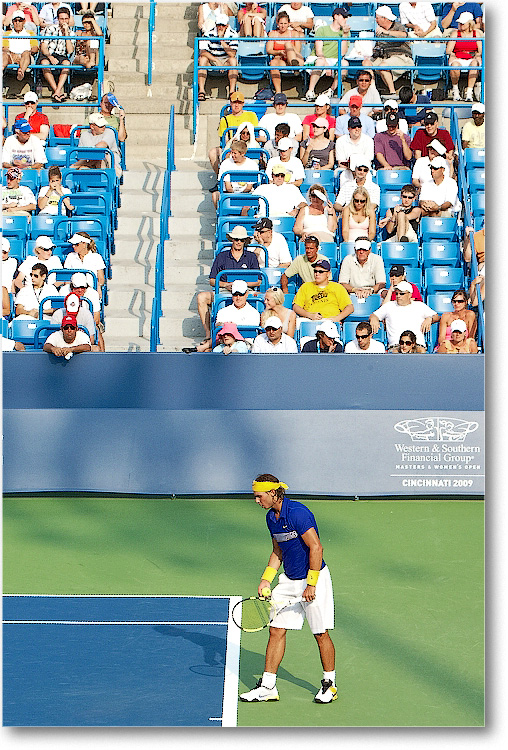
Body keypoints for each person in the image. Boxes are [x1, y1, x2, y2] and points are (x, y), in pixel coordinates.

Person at [240, 474, 336, 703]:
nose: (257, 501)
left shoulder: (298, 513)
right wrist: (266, 579)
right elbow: (277, 551)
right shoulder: (271, 518)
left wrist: (311, 583)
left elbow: (316, 547)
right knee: (276, 630)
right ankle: (268, 687)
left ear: (273, 493)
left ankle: (329, 685)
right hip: (289, 581)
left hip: (314, 577)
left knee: (320, 633)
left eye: (259, 496)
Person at [196, 225, 260, 343]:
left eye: (241, 240)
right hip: (224, 290)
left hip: (247, 291)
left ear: (245, 241)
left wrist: (242, 285)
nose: (239, 242)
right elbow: (212, 280)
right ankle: (208, 334)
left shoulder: (251, 257)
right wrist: (226, 285)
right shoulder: (222, 256)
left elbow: (259, 280)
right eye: (236, 239)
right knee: (201, 297)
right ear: (232, 240)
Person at [370, 280, 439, 348]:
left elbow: (436, 317)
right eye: (396, 293)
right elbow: (374, 315)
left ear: (409, 295)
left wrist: (430, 318)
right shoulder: (389, 306)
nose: (398, 296)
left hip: (417, 346)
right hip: (396, 346)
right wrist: (373, 319)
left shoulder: (420, 306)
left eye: (401, 294)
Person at [364, 5, 414, 98]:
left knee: (383, 66)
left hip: (401, 56)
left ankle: (392, 92)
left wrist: (387, 32)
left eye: (377, 18)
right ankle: (372, 90)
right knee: (366, 63)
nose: (376, 20)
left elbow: (404, 35)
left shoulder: (398, 26)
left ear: (384, 18)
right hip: (384, 57)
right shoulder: (379, 31)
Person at [304, 5, 351, 101]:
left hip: (334, 59)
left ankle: (331, 90)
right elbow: (319, 51)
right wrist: (326, 64)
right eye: (344, 16)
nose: (345, 19)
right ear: (336, 16)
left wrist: (345, 35)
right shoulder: (322, 30)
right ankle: (310, 91)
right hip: (319, 58)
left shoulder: (346, 33)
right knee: (320, 61)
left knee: (345, 64)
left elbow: (342, 53)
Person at [210, 91, 259, 175]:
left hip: (248, 144)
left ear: (243, 104)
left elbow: (255, 135)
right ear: (230, 103)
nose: (236, 105)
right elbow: (224, 140)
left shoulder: (251, 115)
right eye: (234, 102)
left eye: (239, 103)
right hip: (233, 145)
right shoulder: (225, 119)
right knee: (213, 152)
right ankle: (221, 178)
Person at [292, 258, 354, 323]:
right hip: (310, 320)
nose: (317, 274)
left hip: (329, 320)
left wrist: (337, 318)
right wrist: (309, 315)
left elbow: (350, 307)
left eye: (320, 272)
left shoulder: (337, 287)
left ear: (328, 274)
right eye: (315, 271)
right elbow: (296, 306)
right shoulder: (306, 286)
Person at [197, 12, 239, 101]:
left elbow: (232, 54)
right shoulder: (208, 33)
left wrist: (221, 40)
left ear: (227, 25)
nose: (220, 27)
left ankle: (232, 91)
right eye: (218, 25)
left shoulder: (233, 34)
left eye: (222, 25)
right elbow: (203, 51)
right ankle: (201, 91)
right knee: (202, 60)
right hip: (212, 59)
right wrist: (216, 60)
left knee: (233, 61)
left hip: (226, 60)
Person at [70, 112, 122, 179]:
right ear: (92, 127)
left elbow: (103, 145)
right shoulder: (84, 135)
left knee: (101, 157)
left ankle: (73, 166)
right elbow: (83, 156)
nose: (103, 127)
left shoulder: (110, 132)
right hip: (89, 163)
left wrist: (90, 153)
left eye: (104, 125)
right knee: (83, 169)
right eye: (100, 126)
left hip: (109, 165)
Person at [39, 5, 75, 102]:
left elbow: (70, 50)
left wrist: (66, 33)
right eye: (62, 19)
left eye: (66, 19)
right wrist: (50, 57)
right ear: (58, 19)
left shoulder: (71, 33)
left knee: (67, 64)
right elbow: (43, 47)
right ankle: (58, 91)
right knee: (45, 63)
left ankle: (57, 91)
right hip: (48, 53)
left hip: (61, 55)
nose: (64, 21)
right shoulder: (50, 29)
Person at [50, 287, 103, 352]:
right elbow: (51, 338)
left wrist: (73, 348)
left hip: (80, 344)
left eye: (72, 328)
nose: (69, 330)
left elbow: (91, 340)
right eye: (66, 328)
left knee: (96, 348)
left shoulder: (86, 314)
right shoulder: (57, 314)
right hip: (61, 345)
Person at [446, 11, 482, 102]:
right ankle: (455, 91)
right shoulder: (455, 34)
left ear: (469, 24)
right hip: (458, 57)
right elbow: (448, 50)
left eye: (462, 23)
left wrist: (476, 55)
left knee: (475, 64)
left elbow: (480, 50)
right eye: (459, 23)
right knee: (454, 66)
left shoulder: (476, 34)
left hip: (471, 57)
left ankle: (469, 92)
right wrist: (453, 55)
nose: (460, 25)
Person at [266, 10, 304, 95]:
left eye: (285, 23)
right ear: (277, 23)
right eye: (281, 23)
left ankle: (294, 64)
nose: (283, 26)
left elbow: (297, 50)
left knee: (288, 44)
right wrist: (279, 52)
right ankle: (278, 92)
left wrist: (288, 48)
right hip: (281, 59)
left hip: (295, 58)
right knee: (273, 63)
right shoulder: (273, 34)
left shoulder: (294, 34)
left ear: (288, 23)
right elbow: (269, 50)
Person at [214, 139, 259, 209]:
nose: (232, 155)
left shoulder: (252, 165)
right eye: (231, 153)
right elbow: (228, 187)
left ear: (242, 153)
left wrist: (241, 196)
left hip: (247, 195)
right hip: (230, 194)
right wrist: (234, 196)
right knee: (215, 195)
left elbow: (249, 187)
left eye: (235, 153)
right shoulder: (226, 163)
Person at [2, 11, 39, 82]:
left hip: (26, 56)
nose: (17, 23)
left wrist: (25, 53)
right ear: (12, 22)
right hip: (11, 56)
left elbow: (35, 48)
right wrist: (13, 54)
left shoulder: (31, 33)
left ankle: (21, 72)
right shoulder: (7, 34)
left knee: (26, 53)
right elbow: (4, 48)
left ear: (24, 21)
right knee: (4, 55)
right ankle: (1, 69)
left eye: (20, 20)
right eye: (15, 20)